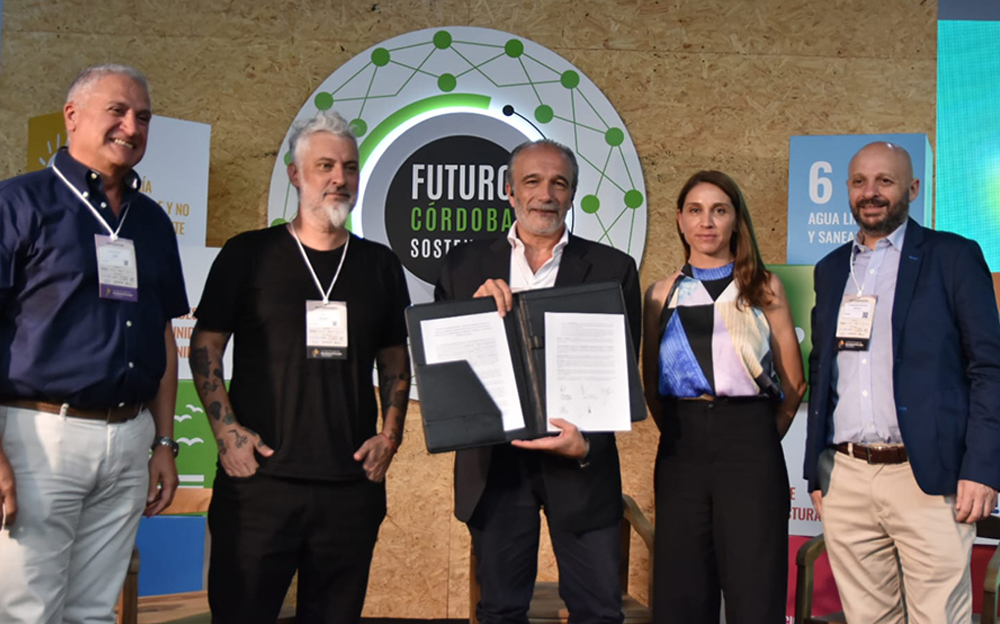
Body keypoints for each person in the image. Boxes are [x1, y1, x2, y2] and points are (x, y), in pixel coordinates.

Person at [190, 109, 411, 624]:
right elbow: (206, 345)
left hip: (350, 485)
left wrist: (391, 436)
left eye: (350, 167)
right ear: (295, 174)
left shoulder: (380, 265)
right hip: (259, 484)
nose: (339, 178)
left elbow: (395, 358)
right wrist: (226, 433)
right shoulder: (248, 254)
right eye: (325, 166)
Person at [0, 64, 188, 623]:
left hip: (129, 440)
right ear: (72, 116)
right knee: (26, 611)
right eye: (117, 111)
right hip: (38, 436)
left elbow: (162, 334)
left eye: (143, 117)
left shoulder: (152, 222)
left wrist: (163, 442)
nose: (132, 127)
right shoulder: (18, 204)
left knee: (94, 613)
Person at [434, 139, 641, 624]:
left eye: (558, 183)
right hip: (496, 465)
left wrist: (585, 444)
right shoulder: (463, 266)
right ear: (509, 191)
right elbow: (444, 366)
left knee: (598, 611)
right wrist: (471, 315)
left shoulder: (613, 269)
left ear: (572, 194)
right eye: (532, 181)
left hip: (580, 460)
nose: (545, 194)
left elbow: (618, 370)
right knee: (500, 610)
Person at [804, 141, 1000, 623]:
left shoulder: (953, 257)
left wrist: (982, 468)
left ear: (912, 188)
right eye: (859, 182)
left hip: (928, 478)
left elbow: (989, 368)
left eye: (884, 181)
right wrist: (815, 470)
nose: (870, 192)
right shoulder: (831, 269)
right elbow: (822, 369)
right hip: (847, 476)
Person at [642, 170, 805, 623]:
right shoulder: (660, 295)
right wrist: (690, 428)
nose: (707, 222)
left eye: (719, 210)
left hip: (750, 444)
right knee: (682, 590)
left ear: (736, 220)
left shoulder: (765, 288)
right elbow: (651, 383)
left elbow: (794, 384)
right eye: (695, 210)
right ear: (679, 220)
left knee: (755, 586)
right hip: (681, 447)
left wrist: (755, 434)